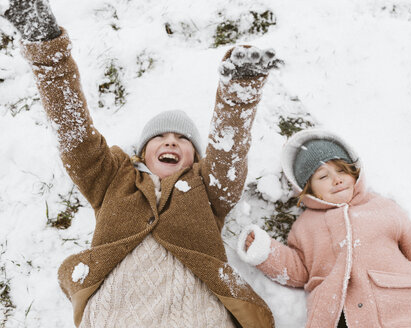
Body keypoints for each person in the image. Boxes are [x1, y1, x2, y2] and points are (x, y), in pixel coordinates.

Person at [2, 0, 279, 327]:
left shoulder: (208, 188)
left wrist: (239, 92)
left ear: (197, 159)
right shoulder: (112, 178)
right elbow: (73, 134)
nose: (171, 141)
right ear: (142, 152)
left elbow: (228, 156)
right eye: (159, 137)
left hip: (195, 311)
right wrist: (46, 48)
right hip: (116, 310)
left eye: (183, 139)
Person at [236, 128, 411, 328]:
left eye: (342, 170)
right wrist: (265, 252)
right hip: (339, 314)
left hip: (402, 305)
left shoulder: (382, 208)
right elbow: (299, 271)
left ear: (355, 173)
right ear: (308, 190)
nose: (337, 179)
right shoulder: (304, 228)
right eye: (323, 177)